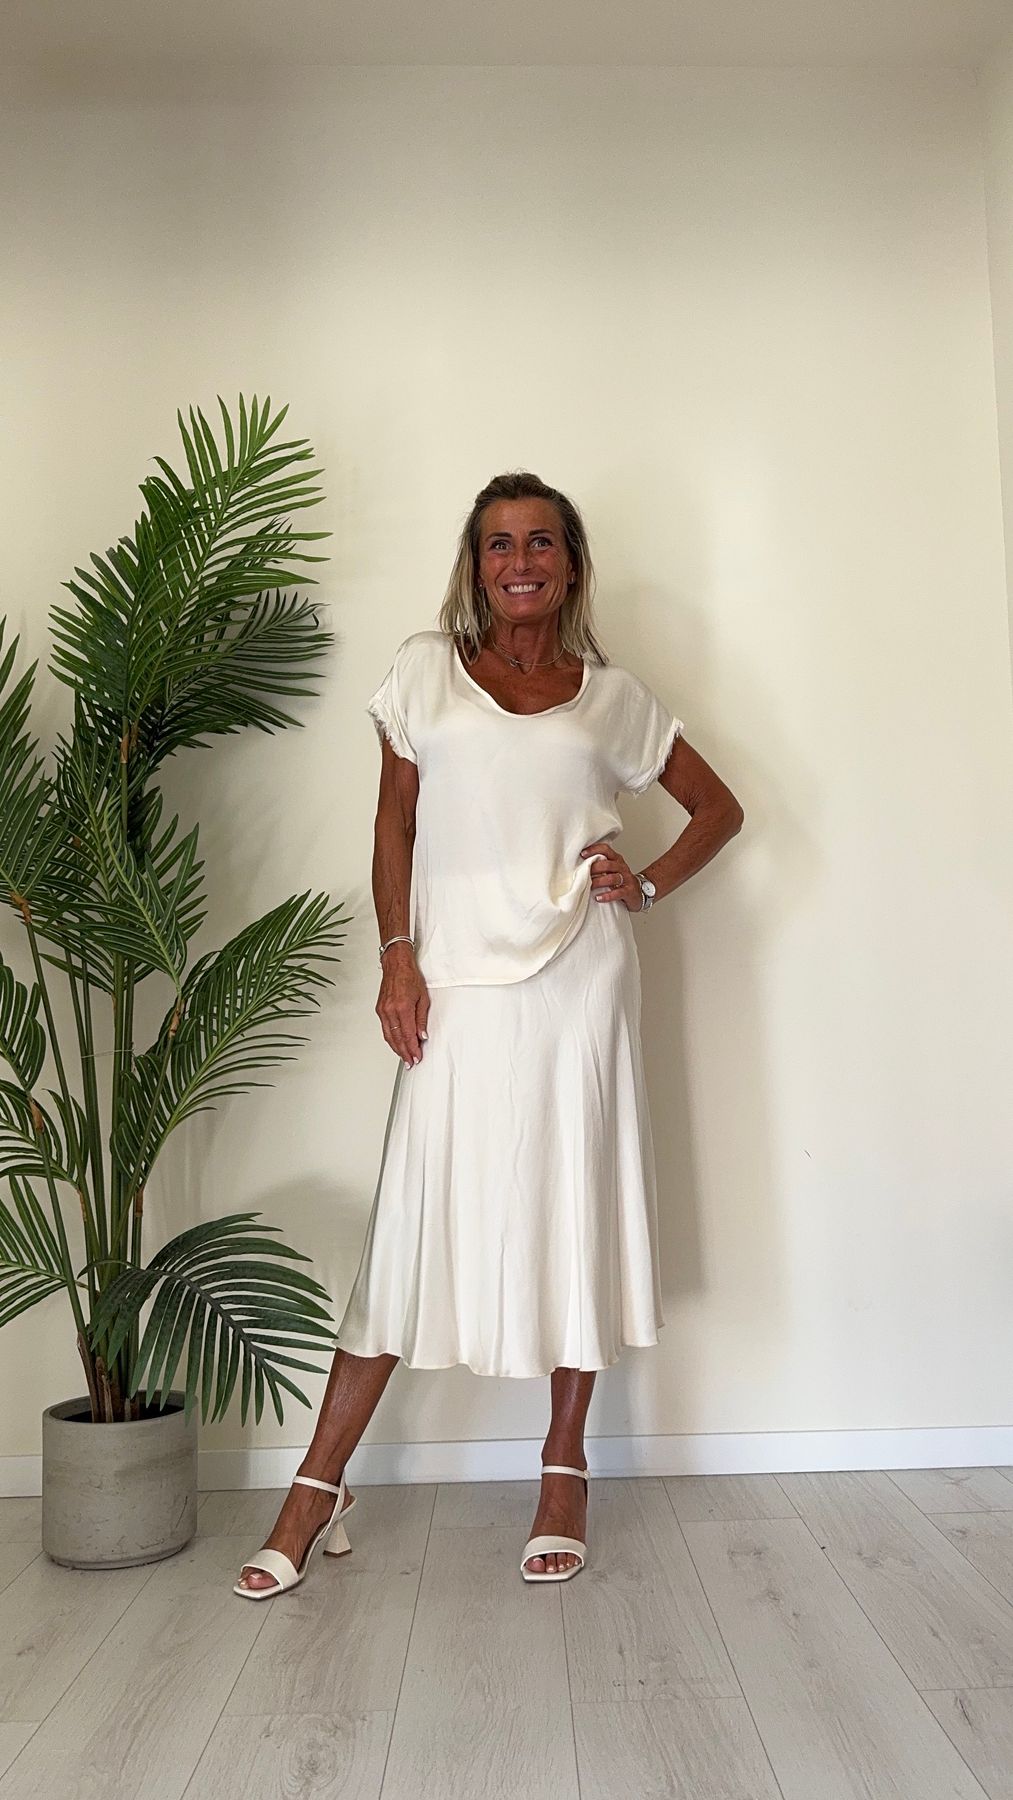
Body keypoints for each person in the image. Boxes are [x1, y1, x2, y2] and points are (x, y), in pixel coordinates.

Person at [234, 471, 744, 1598]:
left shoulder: (613, 698)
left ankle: (562, 1470)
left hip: (579, 979)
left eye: (541, 543)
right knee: (410, 1224)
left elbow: (718, 809)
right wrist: (396, 955)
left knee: (573, 1202)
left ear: (571, 565)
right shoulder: (423, 673)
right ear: (475, 565)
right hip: (453, 978)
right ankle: (316, 1489)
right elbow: (394, 818)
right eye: (499, 544)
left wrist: (645, 884)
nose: (520, 562)